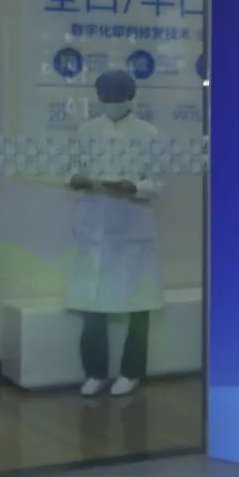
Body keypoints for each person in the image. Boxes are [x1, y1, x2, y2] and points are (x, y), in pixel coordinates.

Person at [67, 69, 162, 398]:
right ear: (99, 97)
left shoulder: (148, 134)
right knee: (93, 302)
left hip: (132, 227)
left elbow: (157, 183)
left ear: (130, 97)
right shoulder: (86, 131)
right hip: (95, 226)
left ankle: (132, 372)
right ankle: (95, 372)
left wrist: (133, 186)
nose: (112, 102)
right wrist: (75, 179)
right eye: (106, 97)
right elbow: (72, 169)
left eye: (118, 96)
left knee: (138, 303)